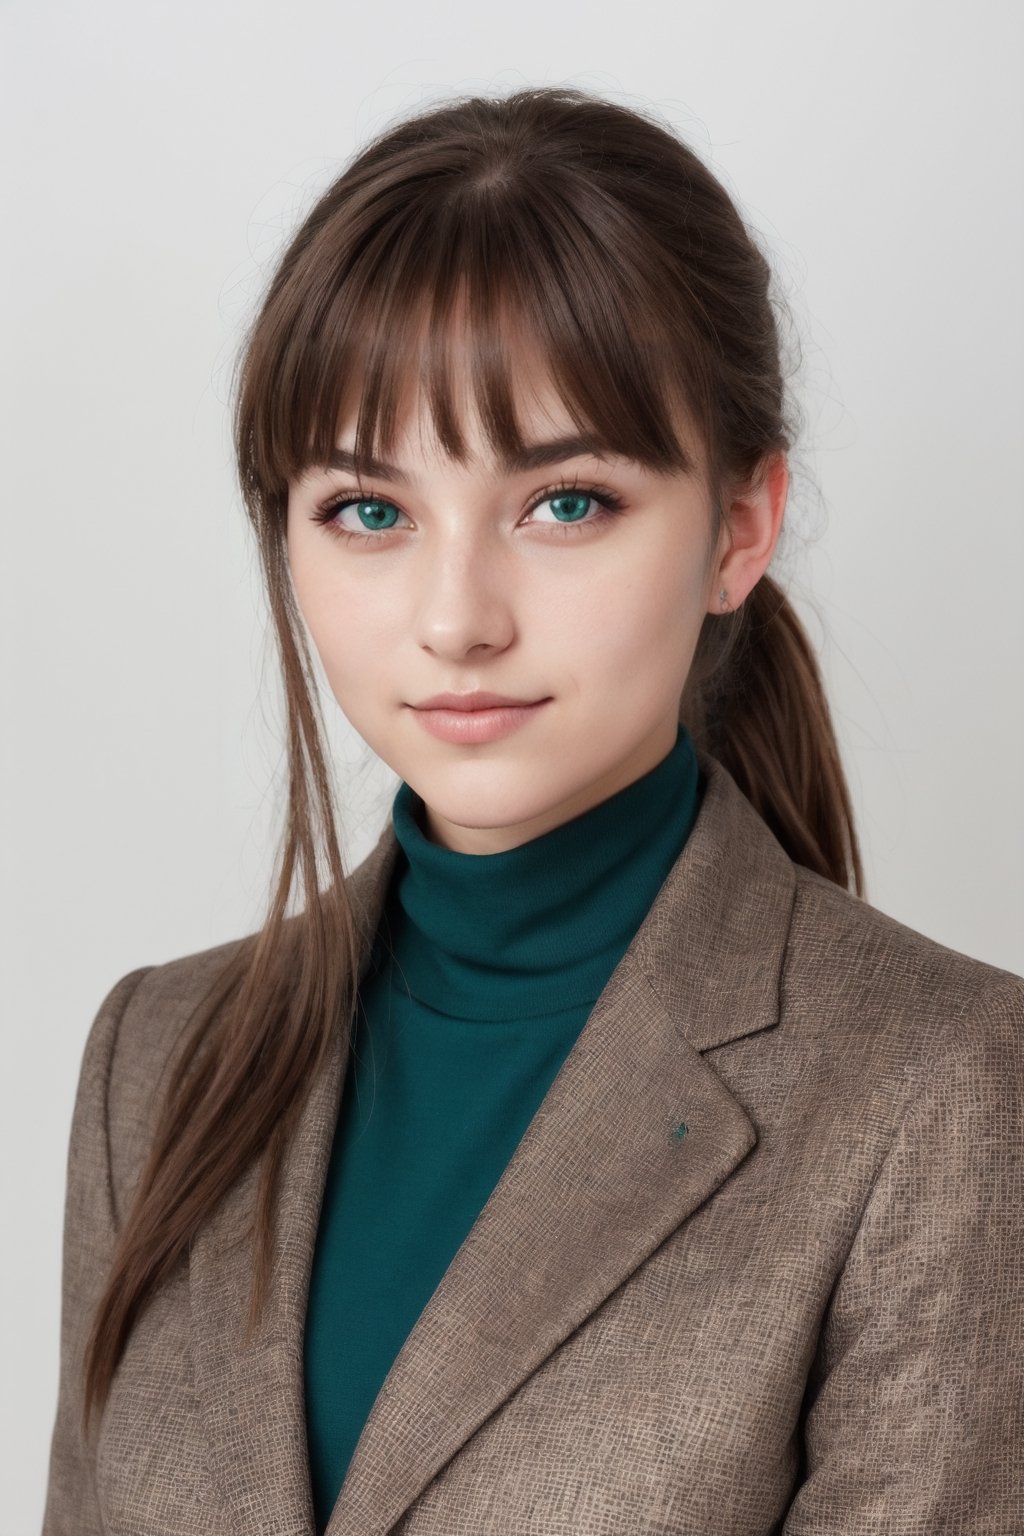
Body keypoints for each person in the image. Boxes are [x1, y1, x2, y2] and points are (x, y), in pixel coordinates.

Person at [42, 84, 1023, 1535]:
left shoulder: (936, 1092)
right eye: (369, 511)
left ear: (738, 529)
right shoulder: (156, 1061)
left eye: (564, 502)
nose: (455, 620)